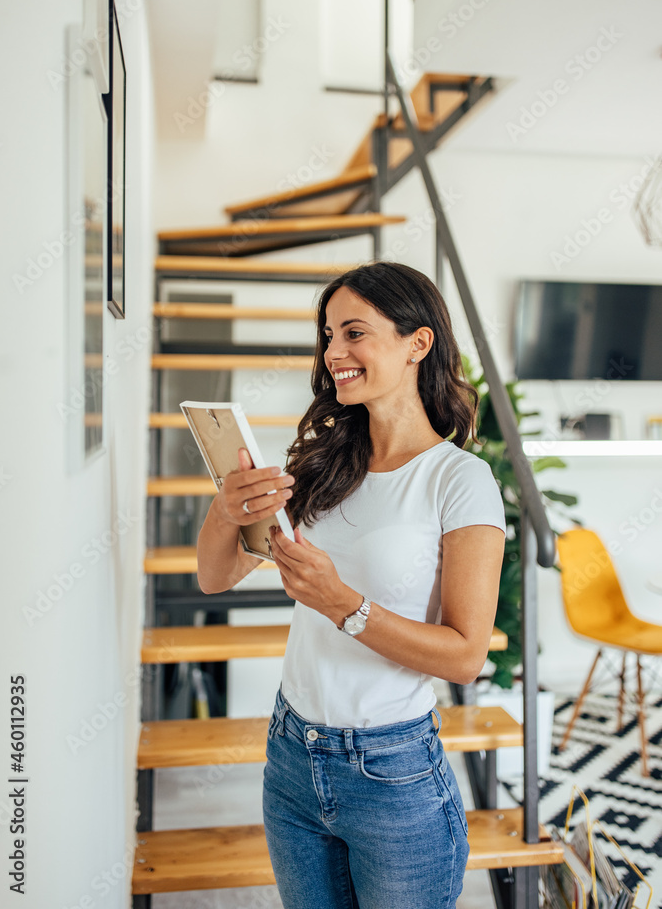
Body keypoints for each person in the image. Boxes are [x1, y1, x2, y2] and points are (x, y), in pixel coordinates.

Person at [197, 261, 506, 909]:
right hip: (290, 754)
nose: (333, 351)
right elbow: (214, 576)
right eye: (328, 334)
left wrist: (343, 606)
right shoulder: (323, 462)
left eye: (354, 332)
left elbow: (465, 654)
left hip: (391, 771)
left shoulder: (458, 480)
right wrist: (225, 510)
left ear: (417, 343)